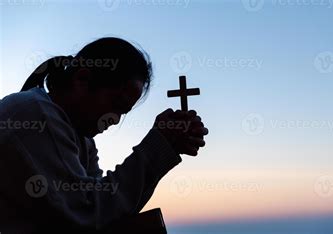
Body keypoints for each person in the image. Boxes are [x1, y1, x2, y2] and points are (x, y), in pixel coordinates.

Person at [0, 37, 208, 233]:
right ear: (82, 80)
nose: (115, 119)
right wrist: (156, 145)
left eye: (123, 113)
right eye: (116, 105)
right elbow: (87, 213)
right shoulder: (34, 114)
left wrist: (165, 146)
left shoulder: (82, 138)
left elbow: (109, 215)